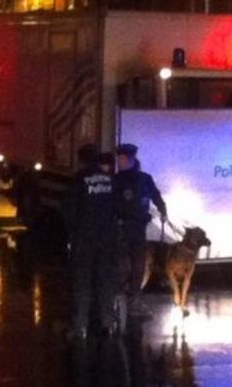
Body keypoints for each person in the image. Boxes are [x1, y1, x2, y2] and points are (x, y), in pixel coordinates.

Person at [69, 145, 118, 339]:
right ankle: (107, 322)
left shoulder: (79, 179)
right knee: (105, 280)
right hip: (106, 238)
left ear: (81, 160)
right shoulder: (109, 180)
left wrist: (73, 232)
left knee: (83, 282)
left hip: (85, 239)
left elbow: (70, 209)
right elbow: (117, 207)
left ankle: (81, 326)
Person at [115, 143, 167, 319]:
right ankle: (116, 302)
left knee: (139, 267)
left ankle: (134, 303)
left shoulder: (144, 179)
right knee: (123, 267)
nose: (119, 162)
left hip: (138, 229)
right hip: (121, 229)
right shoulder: (116, 180)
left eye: (121, 159)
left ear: (130, 160)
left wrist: (163, 210)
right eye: (118, 159)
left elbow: (156, 195)